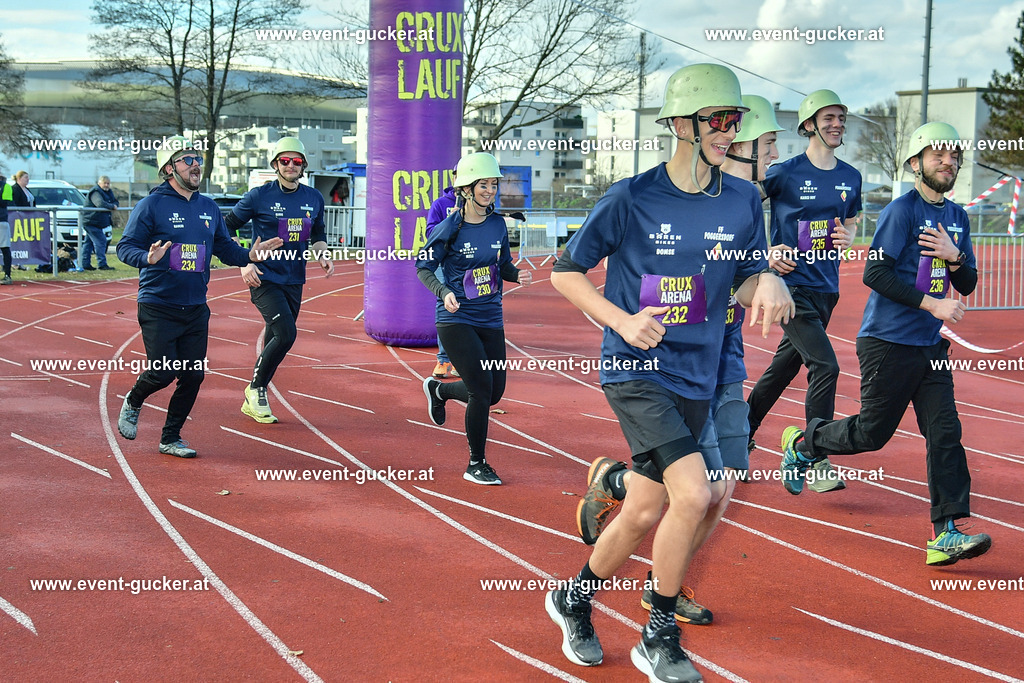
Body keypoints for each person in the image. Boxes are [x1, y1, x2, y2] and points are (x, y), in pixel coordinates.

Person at [544, 65, 793, 683]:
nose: (726, 131)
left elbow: (744, 274)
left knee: (645, 508)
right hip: (636, 370)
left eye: (733, 121)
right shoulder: (631, 197)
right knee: (696, 492)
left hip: (700, 373)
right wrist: (623, 321)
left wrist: (768, 281)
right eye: (715, 119)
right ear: (680, 125)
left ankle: (572, 597)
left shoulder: (741, 200)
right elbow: (565, 271)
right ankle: (659, 634)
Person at [780, 122, 992, 567]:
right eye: (938, 155)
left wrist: (955, 257)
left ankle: (947, 532)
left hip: (930, 348)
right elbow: (874, 273)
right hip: (887, 343)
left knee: (946, 434)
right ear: (915, 164)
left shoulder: (957, 217)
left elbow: (967, 283)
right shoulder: (901, 212)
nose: (948, 162)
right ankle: (805, 444)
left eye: (953, 156)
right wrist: (932, 305)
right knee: (872, 434)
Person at [115, 136, 282, 458]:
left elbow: (224, 248)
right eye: (186, 159)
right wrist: (146, 259)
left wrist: (251, 255)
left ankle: (170, 438)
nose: (195, 164)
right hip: (158, 304)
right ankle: (134, 400)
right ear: (168, 169)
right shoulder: (151, 205)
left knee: (193, 375)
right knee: (163, 371)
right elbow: (125, 247)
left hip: (195, 307)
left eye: (197, 158)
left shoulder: (208, 207)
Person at [745, 89, 861, 494]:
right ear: (809, 124)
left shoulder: (851, 176)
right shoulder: (784, 172)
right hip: (790, 288)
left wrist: (850, 234)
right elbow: (739, 206)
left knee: (784, 368)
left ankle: (741, 431)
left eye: (841, 118)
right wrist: (764, 253)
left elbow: (853, 218)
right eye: (828, 117)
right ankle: (814, 455)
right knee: (825, 366)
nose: (836, 124)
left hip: (827, 287)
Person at [417, 152, 533, 485]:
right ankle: (476, 463)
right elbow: (423, 267)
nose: (490, 190)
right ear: (466, 189)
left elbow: (503, 265)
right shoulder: (449, 227)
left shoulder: (498, 223)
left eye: (493, 184)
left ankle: (439, 392)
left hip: (490, 318)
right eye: (484, 184)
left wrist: (516, 275)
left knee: (494, 391)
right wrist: (443, 292)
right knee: (481, 390)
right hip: (456, 318)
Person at [229, 137, 334, 424]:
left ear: (303, 166)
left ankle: (254, 393)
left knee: (277, 335)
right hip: (263, 278)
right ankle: (256, 389)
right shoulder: (258, 196)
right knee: (286, 334)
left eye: (296, 161)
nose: (290, 166)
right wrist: (244, 261)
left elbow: (318, 233)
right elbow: (223, 229)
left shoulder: (313, 198)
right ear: (275, 164)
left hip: (294, 279)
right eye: (285, 161)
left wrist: (322, 253)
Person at [425, 164, 459, 379]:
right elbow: (430, 232)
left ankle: (460, 359)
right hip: (442, 263)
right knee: (445, 306)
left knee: (467, 309)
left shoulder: (479, 204)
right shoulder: (440, 204)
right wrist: (451, 220)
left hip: (468, 266)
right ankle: (443, 360)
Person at [82, 175, 119, 271]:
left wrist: (114, 205)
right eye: (105, 183)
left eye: (108, 183)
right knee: (101, 241)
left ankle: (85, 264)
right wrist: (112, 206)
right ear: (99, 183)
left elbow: (115, 202)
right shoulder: (95, 192)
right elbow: (99, 203)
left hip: (98, 222)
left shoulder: (108, 192)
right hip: (91, 221)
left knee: (88, 243)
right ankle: (102, 264)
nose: (107, 185)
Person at [0, 173, 11, 285]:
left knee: (5, 249)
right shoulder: (6, 186)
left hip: (1, 220)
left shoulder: (5, 186)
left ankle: (7, 275)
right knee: (5, 249)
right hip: (2, 221)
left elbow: (5, 203)